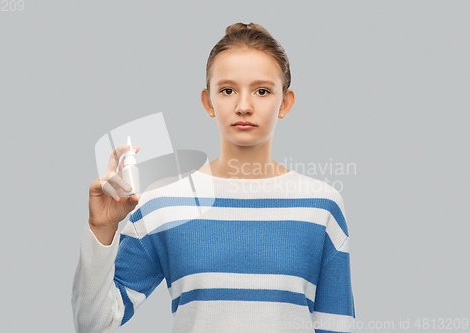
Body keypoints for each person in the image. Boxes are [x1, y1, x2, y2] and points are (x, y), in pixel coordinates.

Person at [72, 22, 355, 333]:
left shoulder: (320, 205)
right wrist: (102, 228)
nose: (243, 106)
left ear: (285, 102)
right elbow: (93, 323)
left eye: (262, 91)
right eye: (227, 90)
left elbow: (336, 326)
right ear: (208, 102)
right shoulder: (163, 203)